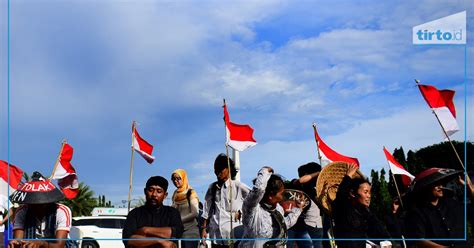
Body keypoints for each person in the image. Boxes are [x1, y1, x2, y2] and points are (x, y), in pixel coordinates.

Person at [239, 166, 303, 248]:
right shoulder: (252, 209)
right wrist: (264, 171)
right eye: (281, 193)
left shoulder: (278, 209)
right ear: (270, 196)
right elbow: (258, 190)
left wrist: (298, 209)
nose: (282, 197)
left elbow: (284, 225)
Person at [404, 167, 470, 247]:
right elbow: (419, 240)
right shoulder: (417, 212)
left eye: (441, 183)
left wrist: (469, 186)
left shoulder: (453, 204)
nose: (440, 186)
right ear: (425, 187)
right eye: (435, 184)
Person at [8, 172, 73, 248]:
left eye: (39, 204)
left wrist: (41, 243)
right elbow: (18, 239)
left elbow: (60, 245)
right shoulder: (22, 211)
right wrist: (16, 244)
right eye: (32, 203)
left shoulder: (61, 211)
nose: (36, 206)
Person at [331, 164, 390, 248]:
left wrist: (387, 242)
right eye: (365, 192)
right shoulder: (343, 208)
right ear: (352, 193)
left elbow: (379, 229)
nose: (369, 196)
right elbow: (341, 195)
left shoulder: (366, 211)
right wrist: (348, 176)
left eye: (369, 192)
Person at [201, 154, 250, 248]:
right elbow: (206, 211)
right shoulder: (212, 188)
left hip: (234, 237)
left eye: (221, 169)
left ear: (229, 169)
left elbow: (254, 200)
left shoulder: (238, 186)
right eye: (216, 169)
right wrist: (204, 229)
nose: (218, 172)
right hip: (216, 237)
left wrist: (243, 212)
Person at [123, 175, 184, 248]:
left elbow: (177, 232)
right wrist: (159, 241)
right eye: (151, 190)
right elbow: (129, 240)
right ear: (145, 191)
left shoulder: (172, 212)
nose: (154, 194)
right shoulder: (134, 214)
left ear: (165, 195)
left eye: (159, 191)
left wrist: (145, 230)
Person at [286, 162, 323, 248]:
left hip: (314, 225)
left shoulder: (313, 190)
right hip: (299, 225)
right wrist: (318, 173)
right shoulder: (296, 185)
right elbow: (300, 181)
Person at [171, 169, 200, 248]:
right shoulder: (175, 194)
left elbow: (195, 213)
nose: (175, 181)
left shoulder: (190, 192)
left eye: (178, 178)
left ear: (183, 178)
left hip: (190, 231)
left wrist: (179, 220)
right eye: (173, 179)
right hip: (178, 231)